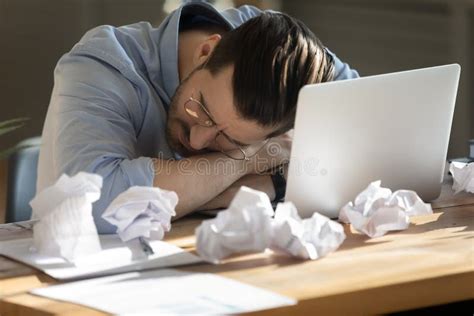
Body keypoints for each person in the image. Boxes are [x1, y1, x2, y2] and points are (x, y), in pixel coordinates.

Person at [37, 1, 359, 233]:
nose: (197, 139)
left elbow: (367, 139)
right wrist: (249, 157)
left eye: (229, 138)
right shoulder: (101, 65)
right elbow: (91, 205)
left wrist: (271, 183)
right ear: (206, 51)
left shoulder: (284, 60)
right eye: (200, 108)